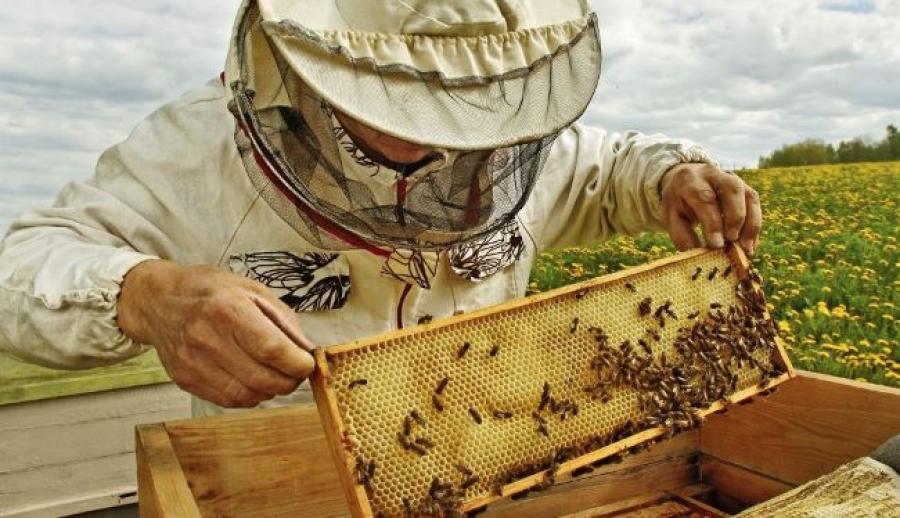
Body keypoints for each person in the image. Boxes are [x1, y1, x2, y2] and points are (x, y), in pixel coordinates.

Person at [0, 0, 761, 417]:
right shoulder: (191, 148)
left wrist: (673, 174)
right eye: (396, 101)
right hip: (290, 485)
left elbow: (609, 166)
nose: (435, 135)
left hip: (491, 457)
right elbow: (21, 266)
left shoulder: (509, 142)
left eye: (460, 101)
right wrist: (146, 295)